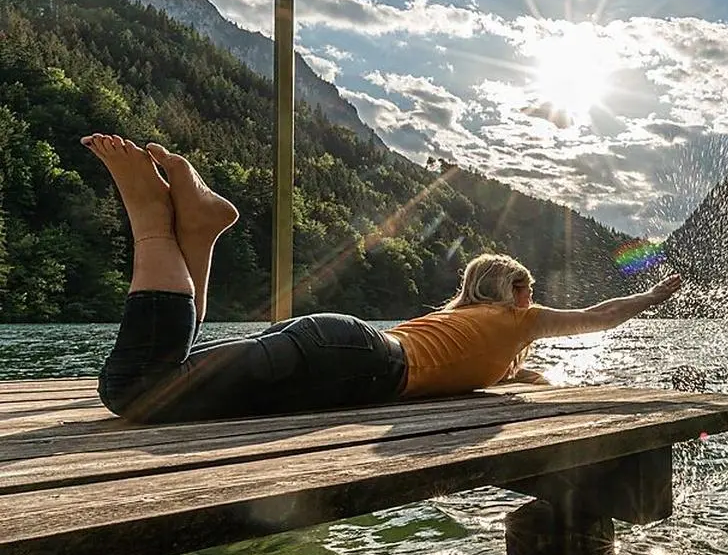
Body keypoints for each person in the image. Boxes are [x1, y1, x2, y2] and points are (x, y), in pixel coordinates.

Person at [84, 133, 683, 423]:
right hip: (353, 364)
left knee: (172, 377)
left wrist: (528, 376)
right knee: (138, 390)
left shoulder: (466, 325)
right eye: (527, 286)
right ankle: (155, 228)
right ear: (515, 292)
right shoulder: (517, 320)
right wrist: (656, 293)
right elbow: (602, 317)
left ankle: (201, 232)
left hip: (343, 347)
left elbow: (511, 373)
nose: (533, 296)